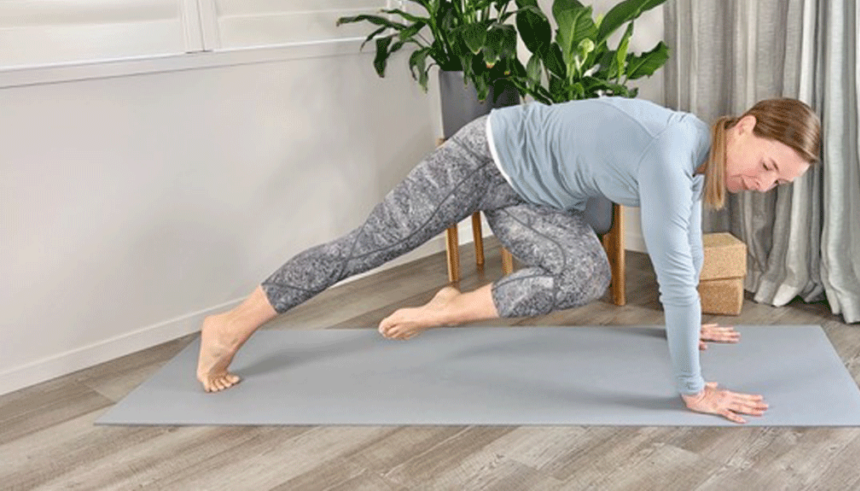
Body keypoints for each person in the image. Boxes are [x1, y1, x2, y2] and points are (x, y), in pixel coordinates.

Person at [196, 95, 821, 424]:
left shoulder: (695, 164)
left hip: (534, 201)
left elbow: (682, 251)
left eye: (778, 184)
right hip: (484, 158)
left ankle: (446, 310)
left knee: (585, 274)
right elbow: (680, 278)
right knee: (370, 245)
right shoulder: (670, 148)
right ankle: (231, 324)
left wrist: (682, 328)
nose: (765, 185)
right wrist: (693, 391)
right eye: (768, 166)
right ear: (744, 126)